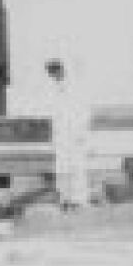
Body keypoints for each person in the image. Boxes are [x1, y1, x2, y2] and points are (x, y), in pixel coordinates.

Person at [45, 58, 91, 209]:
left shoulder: (75, 87)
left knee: (77, 166)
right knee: (62, 167)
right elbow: (55, 114)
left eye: (56, 72)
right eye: (52, 73)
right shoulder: (53, 90)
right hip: (61, 134)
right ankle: (65, 198)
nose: (55, 76)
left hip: (75, 133)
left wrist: (81, 132)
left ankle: (79, 199)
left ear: (62, 70)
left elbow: (82, 110)